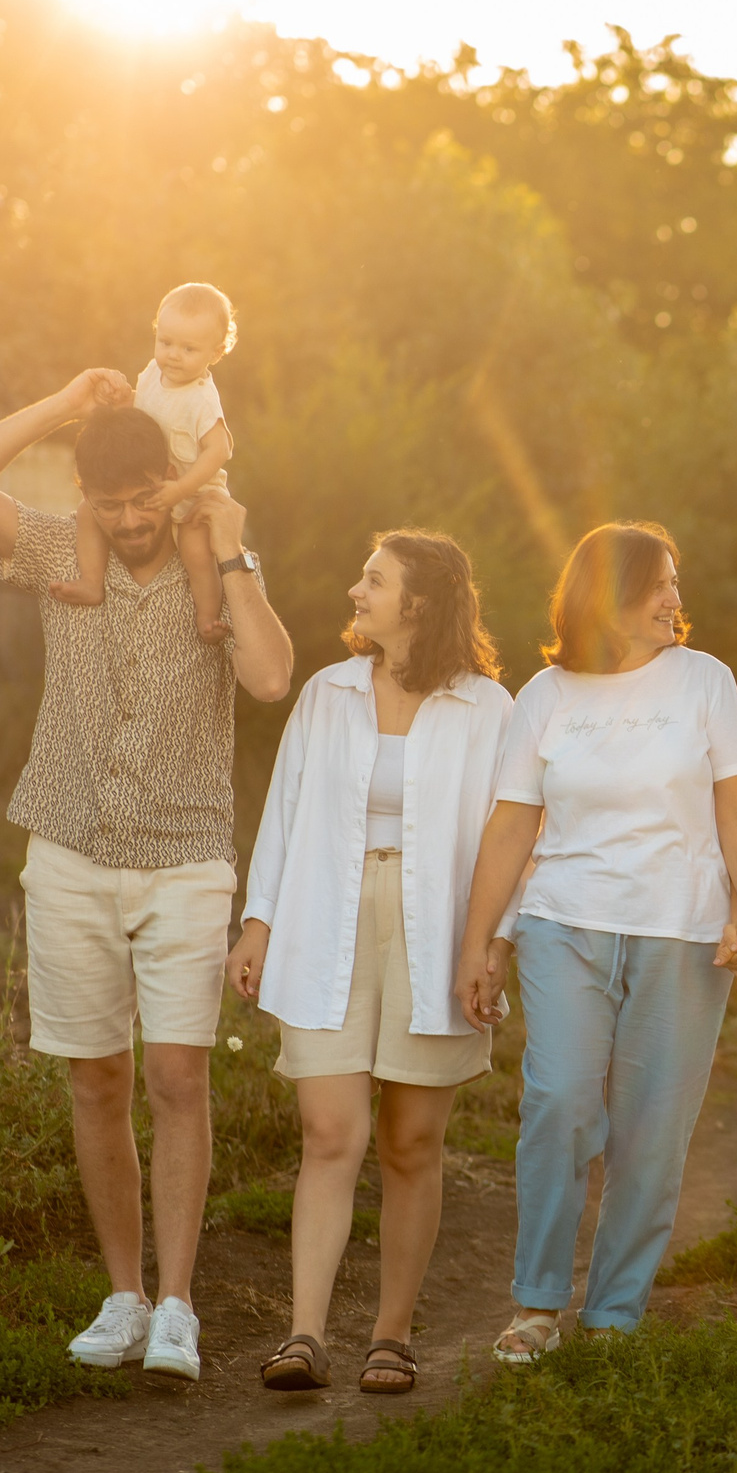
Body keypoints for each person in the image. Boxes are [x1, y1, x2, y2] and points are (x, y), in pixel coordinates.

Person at [0, 371, 295, 1383]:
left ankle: (178, 1305)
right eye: (112, 502)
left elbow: (268, 677)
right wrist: (59, 407)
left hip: (185, 857)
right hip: (71, 853)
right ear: (86, 496)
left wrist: (232, 542)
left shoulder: (208, 561)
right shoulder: (56, 547)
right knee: (97, 1078)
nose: (131, 521)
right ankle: (124, 1296)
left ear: (172, 483)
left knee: (179, 1079)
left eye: (146, 497)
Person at [453, 522, 737, 1363]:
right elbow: (512, 823)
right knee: (559, 1102)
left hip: (683, 928)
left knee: (652, 1128)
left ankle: (614, 1314)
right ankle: (536, 1305)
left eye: (677, 581)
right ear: (611, 594)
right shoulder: (546, 695)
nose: (677, 597)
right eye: (661, 583)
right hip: (566, 919)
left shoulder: (703, 680)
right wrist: (482, 938)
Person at [228, 531, 511, 1395]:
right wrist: (258, 920)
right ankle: (304, 1334)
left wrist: (495, 945)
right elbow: (283, 810)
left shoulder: (489, 708)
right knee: (330, 1132)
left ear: (419, 602)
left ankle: (391, 1337)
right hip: (325, 917)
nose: (356, 590)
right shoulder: (328, 692)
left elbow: (516, 837)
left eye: (375, 580)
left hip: (438, 930)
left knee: (411, 1142)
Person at [53, 283, 239, 644]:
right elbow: (152, 411)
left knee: (195, 550)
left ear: (216, 353)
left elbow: (218, 451)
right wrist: (127, 399)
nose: (173, 355)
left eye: (188, 349)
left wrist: (182, 490)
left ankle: (207, 618)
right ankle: (92, 583)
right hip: (155, 482)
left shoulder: (202, 399)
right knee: (88, 511)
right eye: (166, 342)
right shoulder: (154, 372)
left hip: (194, 491)